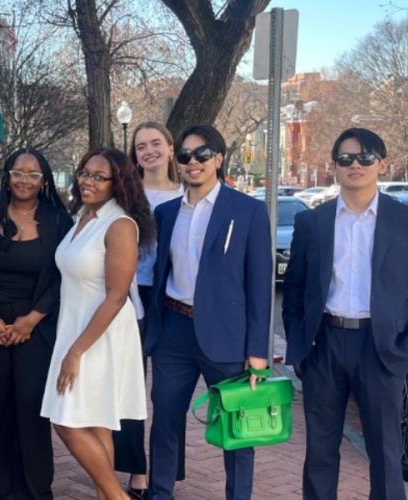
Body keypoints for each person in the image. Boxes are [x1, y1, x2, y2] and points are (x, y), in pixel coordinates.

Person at [145, 124, 271, 500]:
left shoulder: (247, 210)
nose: (193, 162)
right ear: (177, 162)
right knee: (165, 419)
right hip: (173, 331)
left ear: (218, 158)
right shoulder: (167, 213)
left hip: (228, 336)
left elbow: (260, 285)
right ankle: (160, 492)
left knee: (237, 427)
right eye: (185, 155)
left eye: (202, 154)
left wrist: (258, 350)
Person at [283, 127, 408, 500]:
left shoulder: (402, 221)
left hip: (382, 347)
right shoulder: (313, 222)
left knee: (386, 452)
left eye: (365, 158)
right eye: (346, 158)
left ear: (382, 164)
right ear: (333, 165)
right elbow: (294, 289)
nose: (356, 165)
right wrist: (299, 345)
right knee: (320, 453)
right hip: (325, 344)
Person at [40, 148, 153, 500]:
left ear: (117, 183)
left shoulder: (119, 224)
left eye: (98, 176)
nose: (87, 181)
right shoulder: (83, 217)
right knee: (94, 420)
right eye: (85, 173)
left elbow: (117, 297)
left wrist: (75, 352)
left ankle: (117, 497)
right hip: (74, 327)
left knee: (65, 419)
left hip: (99, 335)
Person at [0, 148, 72, 499]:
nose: (25, 180)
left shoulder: (58, 220)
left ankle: (35, 489)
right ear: (7, 175)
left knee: (31, 409)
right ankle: (2, 489)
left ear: (44, 179)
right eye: (19, 172)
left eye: (33, 174)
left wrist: (32, 319)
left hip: (38, 325)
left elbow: (65, 276)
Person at [113, 121, 185, 499]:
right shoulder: (126, 195)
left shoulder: (189, 193)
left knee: (171, 392)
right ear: (134, 155)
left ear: (171, 149)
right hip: (131, 294)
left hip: (172, 297)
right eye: (141, 146)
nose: (149, 151)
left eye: (156, 143)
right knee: (131, 387)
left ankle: (167, 470)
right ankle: (136, 469)